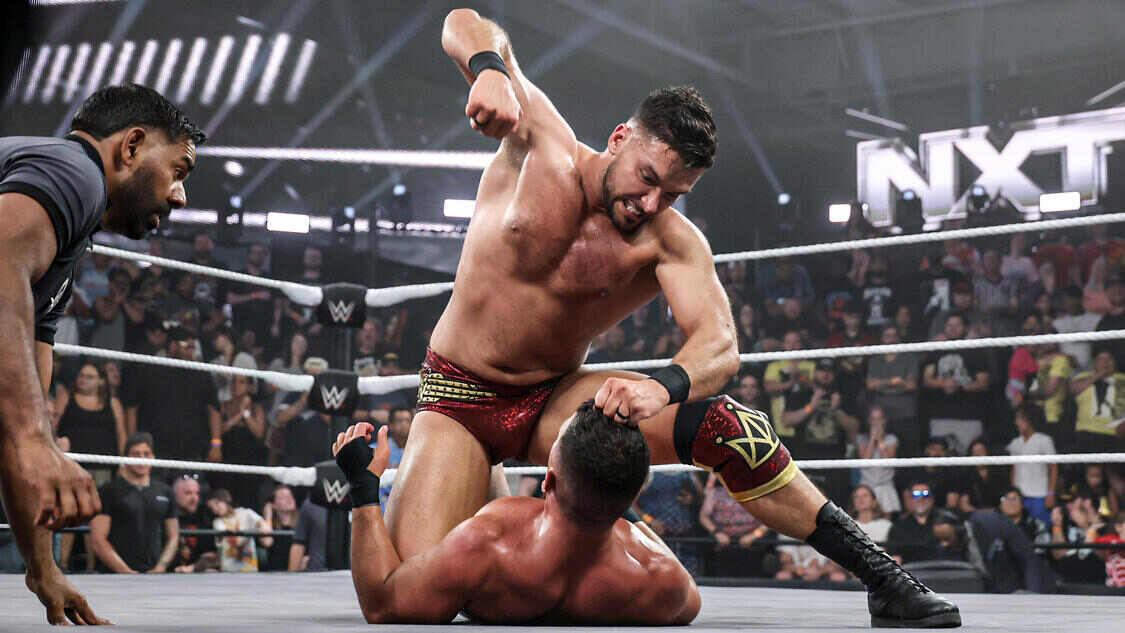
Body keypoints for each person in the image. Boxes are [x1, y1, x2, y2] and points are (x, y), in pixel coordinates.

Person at [382, 9, 957, 627]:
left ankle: (883, 577)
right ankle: (501, 503)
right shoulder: (542, 142)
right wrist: (489, 71)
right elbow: (464, 20)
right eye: (648, 179)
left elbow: (720, 344)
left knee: (731, 427)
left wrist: (659, 389)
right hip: (459, 396)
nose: (650, 203)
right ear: (620, 138)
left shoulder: (671, 241)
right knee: (414, 602)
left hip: (554, 402)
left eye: (673, 195)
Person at [0, 82, 203, 624]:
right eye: (178, 171)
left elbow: (22, 407)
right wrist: (34, 440)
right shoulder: (74, 171)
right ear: (131, 146)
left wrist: (41, 566)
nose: (180, 197)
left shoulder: (61, 241)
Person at [332, 402, 701, 624]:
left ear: (547, 481)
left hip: (505, 560)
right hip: (608, 525)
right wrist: (618, 498)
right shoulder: (660, 581)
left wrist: (363, 485)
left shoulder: (486, 544)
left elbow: (382, 604)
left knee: (452, 429)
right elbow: (689, 599)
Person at [89, 433, 178, 574]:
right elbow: (98, 540)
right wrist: (125, 572)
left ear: (153, 457)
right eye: (136, 454)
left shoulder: (166, 491)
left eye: (146, 454)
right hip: (114, 576)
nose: (141, 459)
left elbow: (173, 536)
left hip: (154, 575)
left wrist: (160, 567)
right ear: (125, 458)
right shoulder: (108, 491)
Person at [1007, 405, 1058, 524]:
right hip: (1020, 497)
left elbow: (1053, 468)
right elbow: (1013, 469)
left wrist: (1051, 493)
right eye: (1016, 418)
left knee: (1041, 528)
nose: (1017, 422)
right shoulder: (1015, 443)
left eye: (1020, 418)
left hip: (1040, 495)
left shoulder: (1044, 440)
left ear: (1029, 419)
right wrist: (1012, 493)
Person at [207, 488, 271, 573]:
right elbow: (223, 530)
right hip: (228, 570)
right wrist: (231, 531)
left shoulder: (246, 513)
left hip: (249, 569)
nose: (215, 508)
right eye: (212, 508)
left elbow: (262, 523)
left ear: (225, 500)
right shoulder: (217, 522)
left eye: (217, 503)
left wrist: (263, 526)